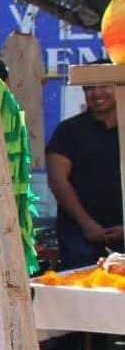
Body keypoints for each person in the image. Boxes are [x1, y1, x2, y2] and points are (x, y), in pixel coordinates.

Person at [47, 80, 121, 270]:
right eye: (89, 88)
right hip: (79, 235)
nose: (97, 93)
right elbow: (57, 179)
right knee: (82, 294)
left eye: (104, 85)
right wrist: (87, 225)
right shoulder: (69, 130)